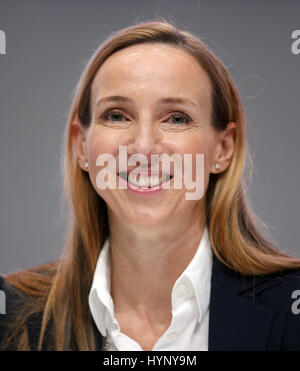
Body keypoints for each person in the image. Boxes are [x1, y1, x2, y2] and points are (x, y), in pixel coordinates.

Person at [1, 19, 300, 351]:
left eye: (176, 118)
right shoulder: (7, 317)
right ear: (81, 146)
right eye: (117, 115)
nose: (143, 148)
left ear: (223, 148)